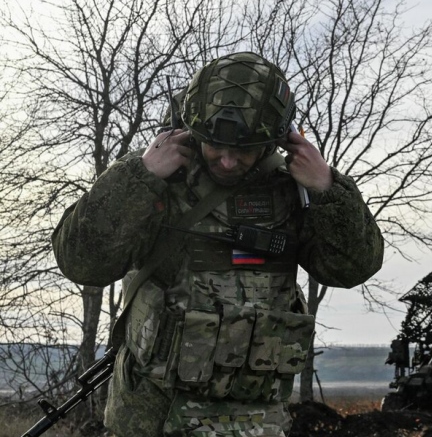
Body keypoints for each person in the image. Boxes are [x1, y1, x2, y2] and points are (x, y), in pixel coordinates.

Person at [52, 52, 384, 437]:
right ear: (193, 129)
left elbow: (353, 268)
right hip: (150, 418)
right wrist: (138, 175)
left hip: (255, 423)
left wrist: (328, 187)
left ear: (275, 139)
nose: (227, 162)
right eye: (215, 146)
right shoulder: (156, 177)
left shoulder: (296, 188)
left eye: (242, 150)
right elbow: (81, 262)